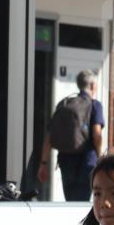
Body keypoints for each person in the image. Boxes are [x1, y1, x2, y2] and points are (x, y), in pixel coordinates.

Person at [38, 70, 105, 201]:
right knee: (81, 205)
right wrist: (101, 157)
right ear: (92, 86)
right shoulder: (95, 105)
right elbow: (97, 135)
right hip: (87, 163)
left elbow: (49, 138)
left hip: (65, 161)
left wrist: (43, 163)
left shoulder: (64, 104)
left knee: (69, 201)